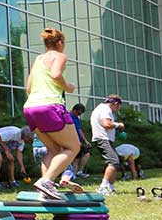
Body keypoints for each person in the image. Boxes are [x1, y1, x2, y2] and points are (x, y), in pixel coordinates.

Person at [21, 28, 82, 200]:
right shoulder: (59, 56)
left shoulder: (39, 59)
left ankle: (44, 191)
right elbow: (56, 74)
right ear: (60, 42)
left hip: (31, 108)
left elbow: (28, 88)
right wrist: (67, 86)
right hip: (50, 106)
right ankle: (46, 181)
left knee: (54, 149)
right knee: (73, 147)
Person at [88, 95, 126, 194]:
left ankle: (111, 187)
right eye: (118, 107)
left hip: (104, 138)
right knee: (114, 162)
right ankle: (103, 187)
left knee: (114, 162)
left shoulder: (100, 108)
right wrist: (119, 125)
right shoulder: (106, 109)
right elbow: (106, 124)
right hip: (103, 139)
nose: (117, 110)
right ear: (116, 104)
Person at [69, 103, 92, 179]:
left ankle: (76, 173)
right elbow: (71, 130)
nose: (79, 115)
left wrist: (85, 141)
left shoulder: (76, 118)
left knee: (78, 157)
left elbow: (79, 130)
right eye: (78, 113)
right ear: (74, 110)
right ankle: (74, 173)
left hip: (78, 140)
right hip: (72, 140)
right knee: (75, 158)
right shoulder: (69, 117)